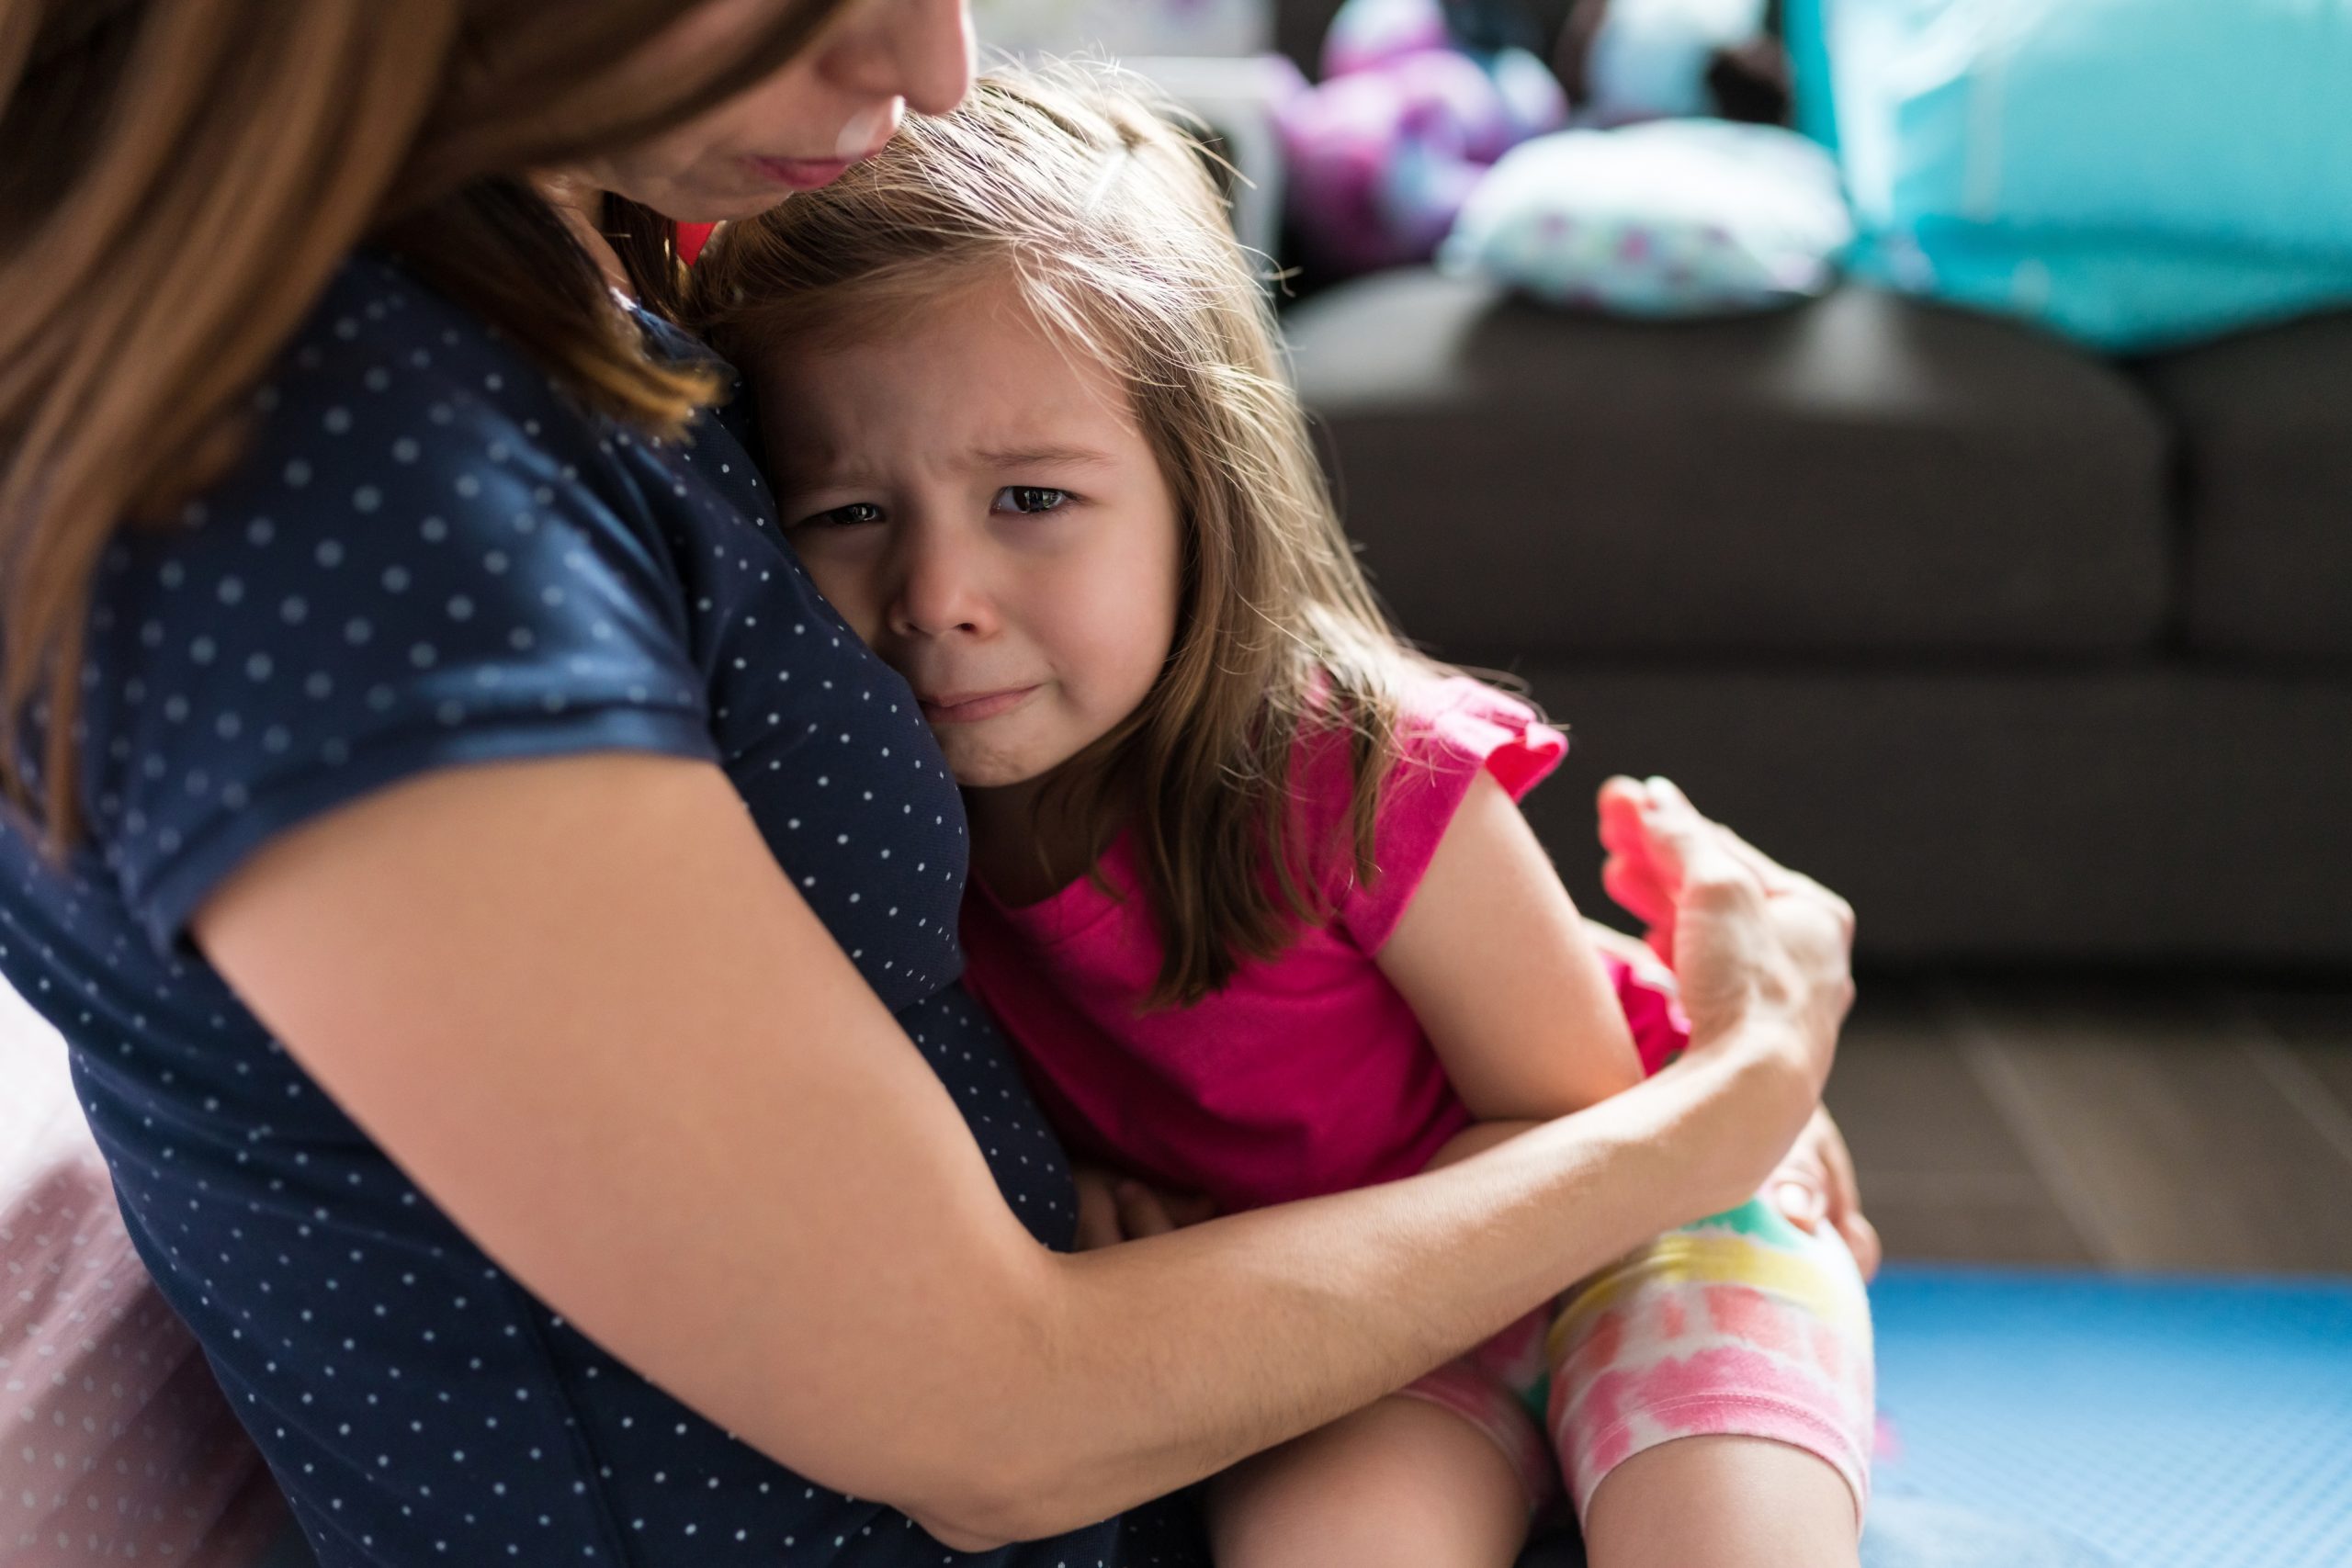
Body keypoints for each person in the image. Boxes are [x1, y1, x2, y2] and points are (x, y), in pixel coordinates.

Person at [0, 2, 1863, 1564]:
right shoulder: (344, 514)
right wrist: (1725, 1100)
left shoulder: (535, 243)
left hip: (1271, 1374)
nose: (932, 59)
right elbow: (984, 1408)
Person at [685, 68, 1874, 1568]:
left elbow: (1577, 1116)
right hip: (1358, 1322)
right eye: (848, 514)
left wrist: (1253, 1245)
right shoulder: (881, 823)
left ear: (1202, 498)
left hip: (1643, 1225)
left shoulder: (1356, 772)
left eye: (1033, 501)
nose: (936, 600)